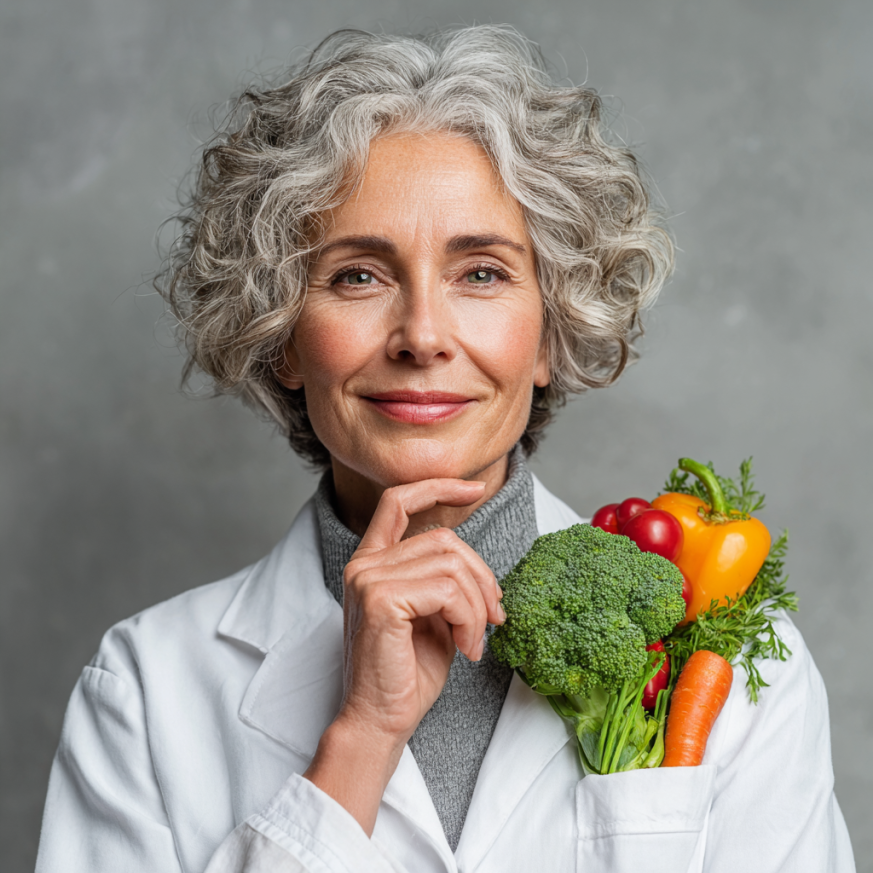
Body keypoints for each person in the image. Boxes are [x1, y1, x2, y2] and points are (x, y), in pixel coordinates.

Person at [35, 25, 854, 873]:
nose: (422, 335)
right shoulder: (145, 689)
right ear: (279, 332)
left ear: (549, 333)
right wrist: (360, 739)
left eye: (483, 274)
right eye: (358, 274)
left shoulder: (741, 663)